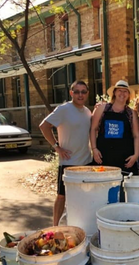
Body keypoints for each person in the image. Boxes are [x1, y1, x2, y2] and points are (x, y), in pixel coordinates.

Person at [39, 80, 93, 226]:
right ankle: (55, 227)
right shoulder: (63, 109)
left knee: (83, 197)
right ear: (71, 93)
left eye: (83, 92)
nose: (80, 95)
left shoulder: (88, 112)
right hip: (68, 162)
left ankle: (80, 226)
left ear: (87, 94)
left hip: (86, 162)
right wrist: (57, 147)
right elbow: (44, 126)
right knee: (61, 196)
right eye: (77, 92)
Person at [90, 79, 139, 175]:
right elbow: (93, 129)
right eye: (119, 90)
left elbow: (136, 135)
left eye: (125, 91)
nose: (122, 93)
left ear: (128, 94)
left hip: (125, 159)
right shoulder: (102, 109)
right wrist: (94, 149)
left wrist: (136, 155)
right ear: (114, 92)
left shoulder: (131, 113)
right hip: (103, 157)